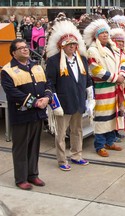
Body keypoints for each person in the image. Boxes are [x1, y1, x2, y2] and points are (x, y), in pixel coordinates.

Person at [1, 38, 53, 190]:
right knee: (21, 148)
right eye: (21, 48)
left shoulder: (36, 66)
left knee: (34, 146)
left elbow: (48, 84)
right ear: (14, 53)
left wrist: (47, 98)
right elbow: (12, 92)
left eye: (26, 47)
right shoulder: (7, 70)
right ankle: (21, 178)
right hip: (21, 115)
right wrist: (34, 102)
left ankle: (33, 175)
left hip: (37, 114)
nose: (25, 49)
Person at [46, 20, 93, 171]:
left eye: (74, 44)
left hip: (79, 101)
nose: (72, 47)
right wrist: (55, 104)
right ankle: (61, 160)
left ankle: (76, 155)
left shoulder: (82, 60)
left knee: (77, 130)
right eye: (69, 45)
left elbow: (88, 80)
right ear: (62, 46)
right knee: (60, 134)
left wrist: (91, 99)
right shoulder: (53, 61)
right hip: (63, 102)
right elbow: (50, 83)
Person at [83, 18, 125, 157]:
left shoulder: (113, 48)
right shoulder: (92, 50)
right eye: (102, 33)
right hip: (102, 88)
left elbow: (123, 60)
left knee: (112, 116)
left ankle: (109, 141)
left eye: (106, 33)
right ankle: (99, 145)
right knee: (101, 117)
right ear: (96, 36)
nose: (105, 35)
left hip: (114, 87)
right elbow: (96, 70)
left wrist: (121, 74)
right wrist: (116, 77)